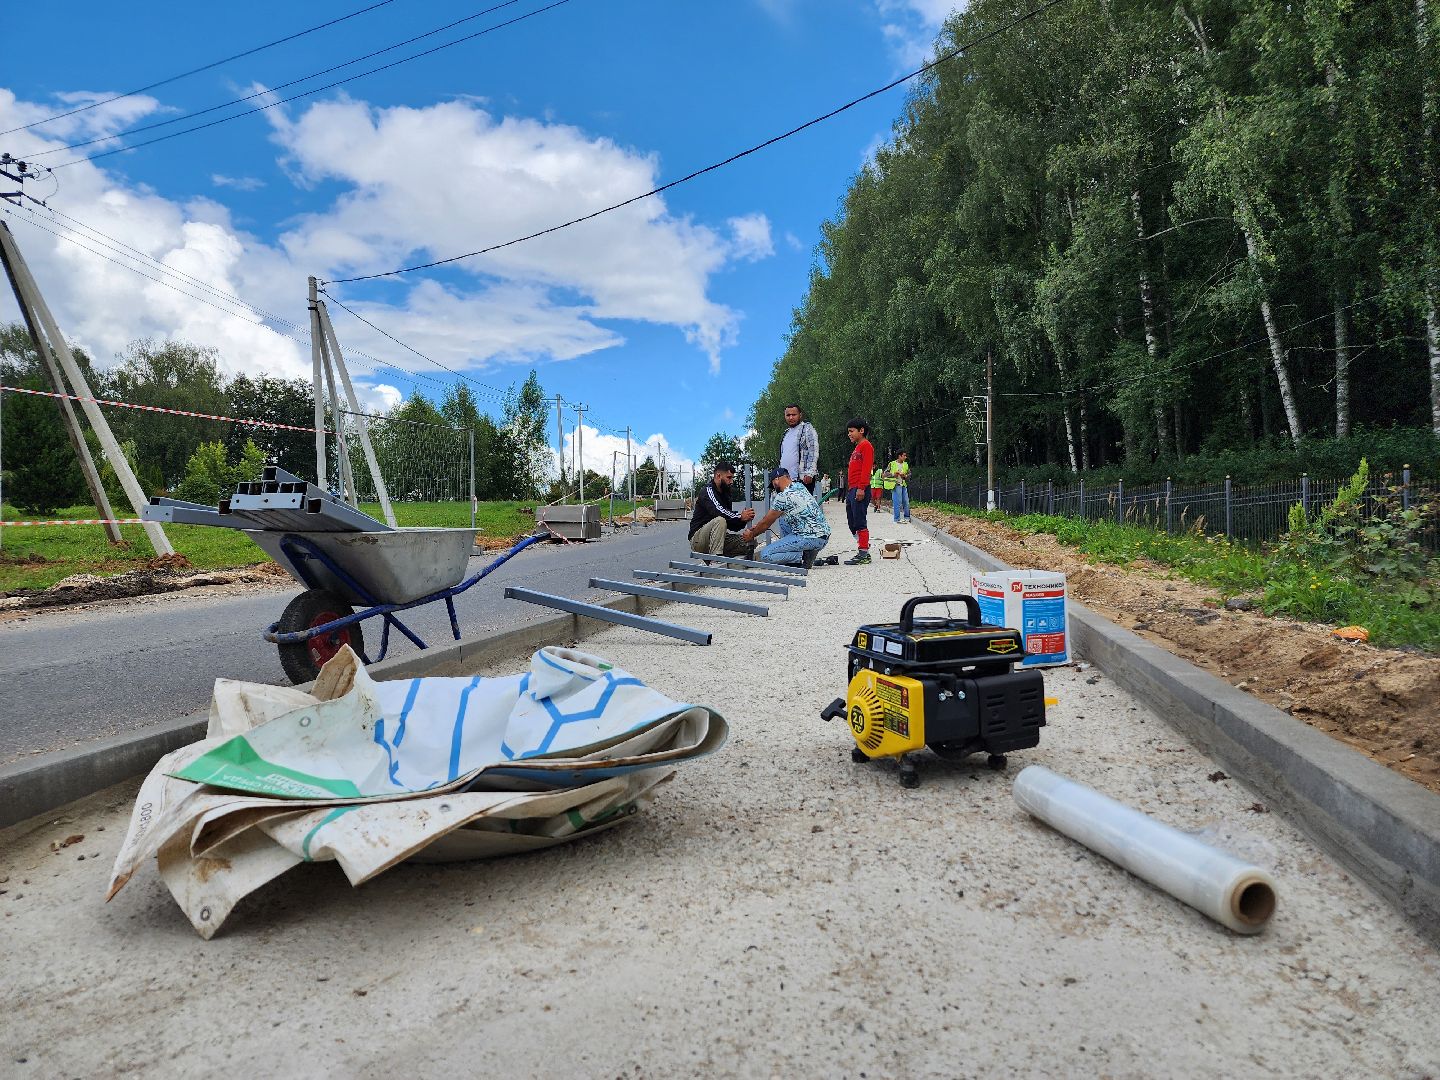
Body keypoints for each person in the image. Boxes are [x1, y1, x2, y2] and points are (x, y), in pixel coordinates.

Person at [739, 468, 830, 567]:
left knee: (766, 555)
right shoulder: (800, 487)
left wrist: (751, 534)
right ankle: (803, 554)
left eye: (773, 484)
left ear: (777, 480)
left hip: (809, 538)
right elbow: (768, 519)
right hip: (823, 537)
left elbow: (766, 523)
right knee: (783, 519)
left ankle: (802, 557)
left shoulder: (782, 497)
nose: (774, 488)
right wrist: (757, 527)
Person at [687, 460, 756, 559]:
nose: (731, 481)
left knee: (750, 542)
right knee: (720, 520)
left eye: (732, 478)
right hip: (699, 539)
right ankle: (716, 559)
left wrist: (743, 520)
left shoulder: (726, 495)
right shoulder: (707, 491)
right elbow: (718, 511)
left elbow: (731, 525)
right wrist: (740, 516)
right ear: (718, 476)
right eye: (729, 478)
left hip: (718, 538)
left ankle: (720, 558)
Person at [845, 418, 874, 565]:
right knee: (852, 522)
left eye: (851, 431)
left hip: (860, 488)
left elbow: (866, 468)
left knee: (860, 521)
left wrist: (862, 488)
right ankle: (863, 545)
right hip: (852, 489)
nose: (849, 434)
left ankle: (864, 553)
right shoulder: (856, 448)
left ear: (861, 430)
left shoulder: (866, 446)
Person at [778, 404, 820, 499]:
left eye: (794, 414)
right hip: (786, 480)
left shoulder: (807, 428)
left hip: (802, 479)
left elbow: (813, 451)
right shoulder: (786, 433)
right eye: (788, 415)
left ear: (800, 415)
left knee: (802, 511)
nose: (791, 417)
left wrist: (810, 473)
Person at [887, 450, 911, 522]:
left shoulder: (906, 464)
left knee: (906, 501)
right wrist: (893, 475)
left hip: (903, 485)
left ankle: (907, 517)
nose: (905, 457)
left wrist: (905, 476)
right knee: (897, 502)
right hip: (895, 485)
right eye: (904, 455)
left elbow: (910, 474)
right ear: (899, 456)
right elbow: (884, 474)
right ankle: (897, 519)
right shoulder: (892, 464)